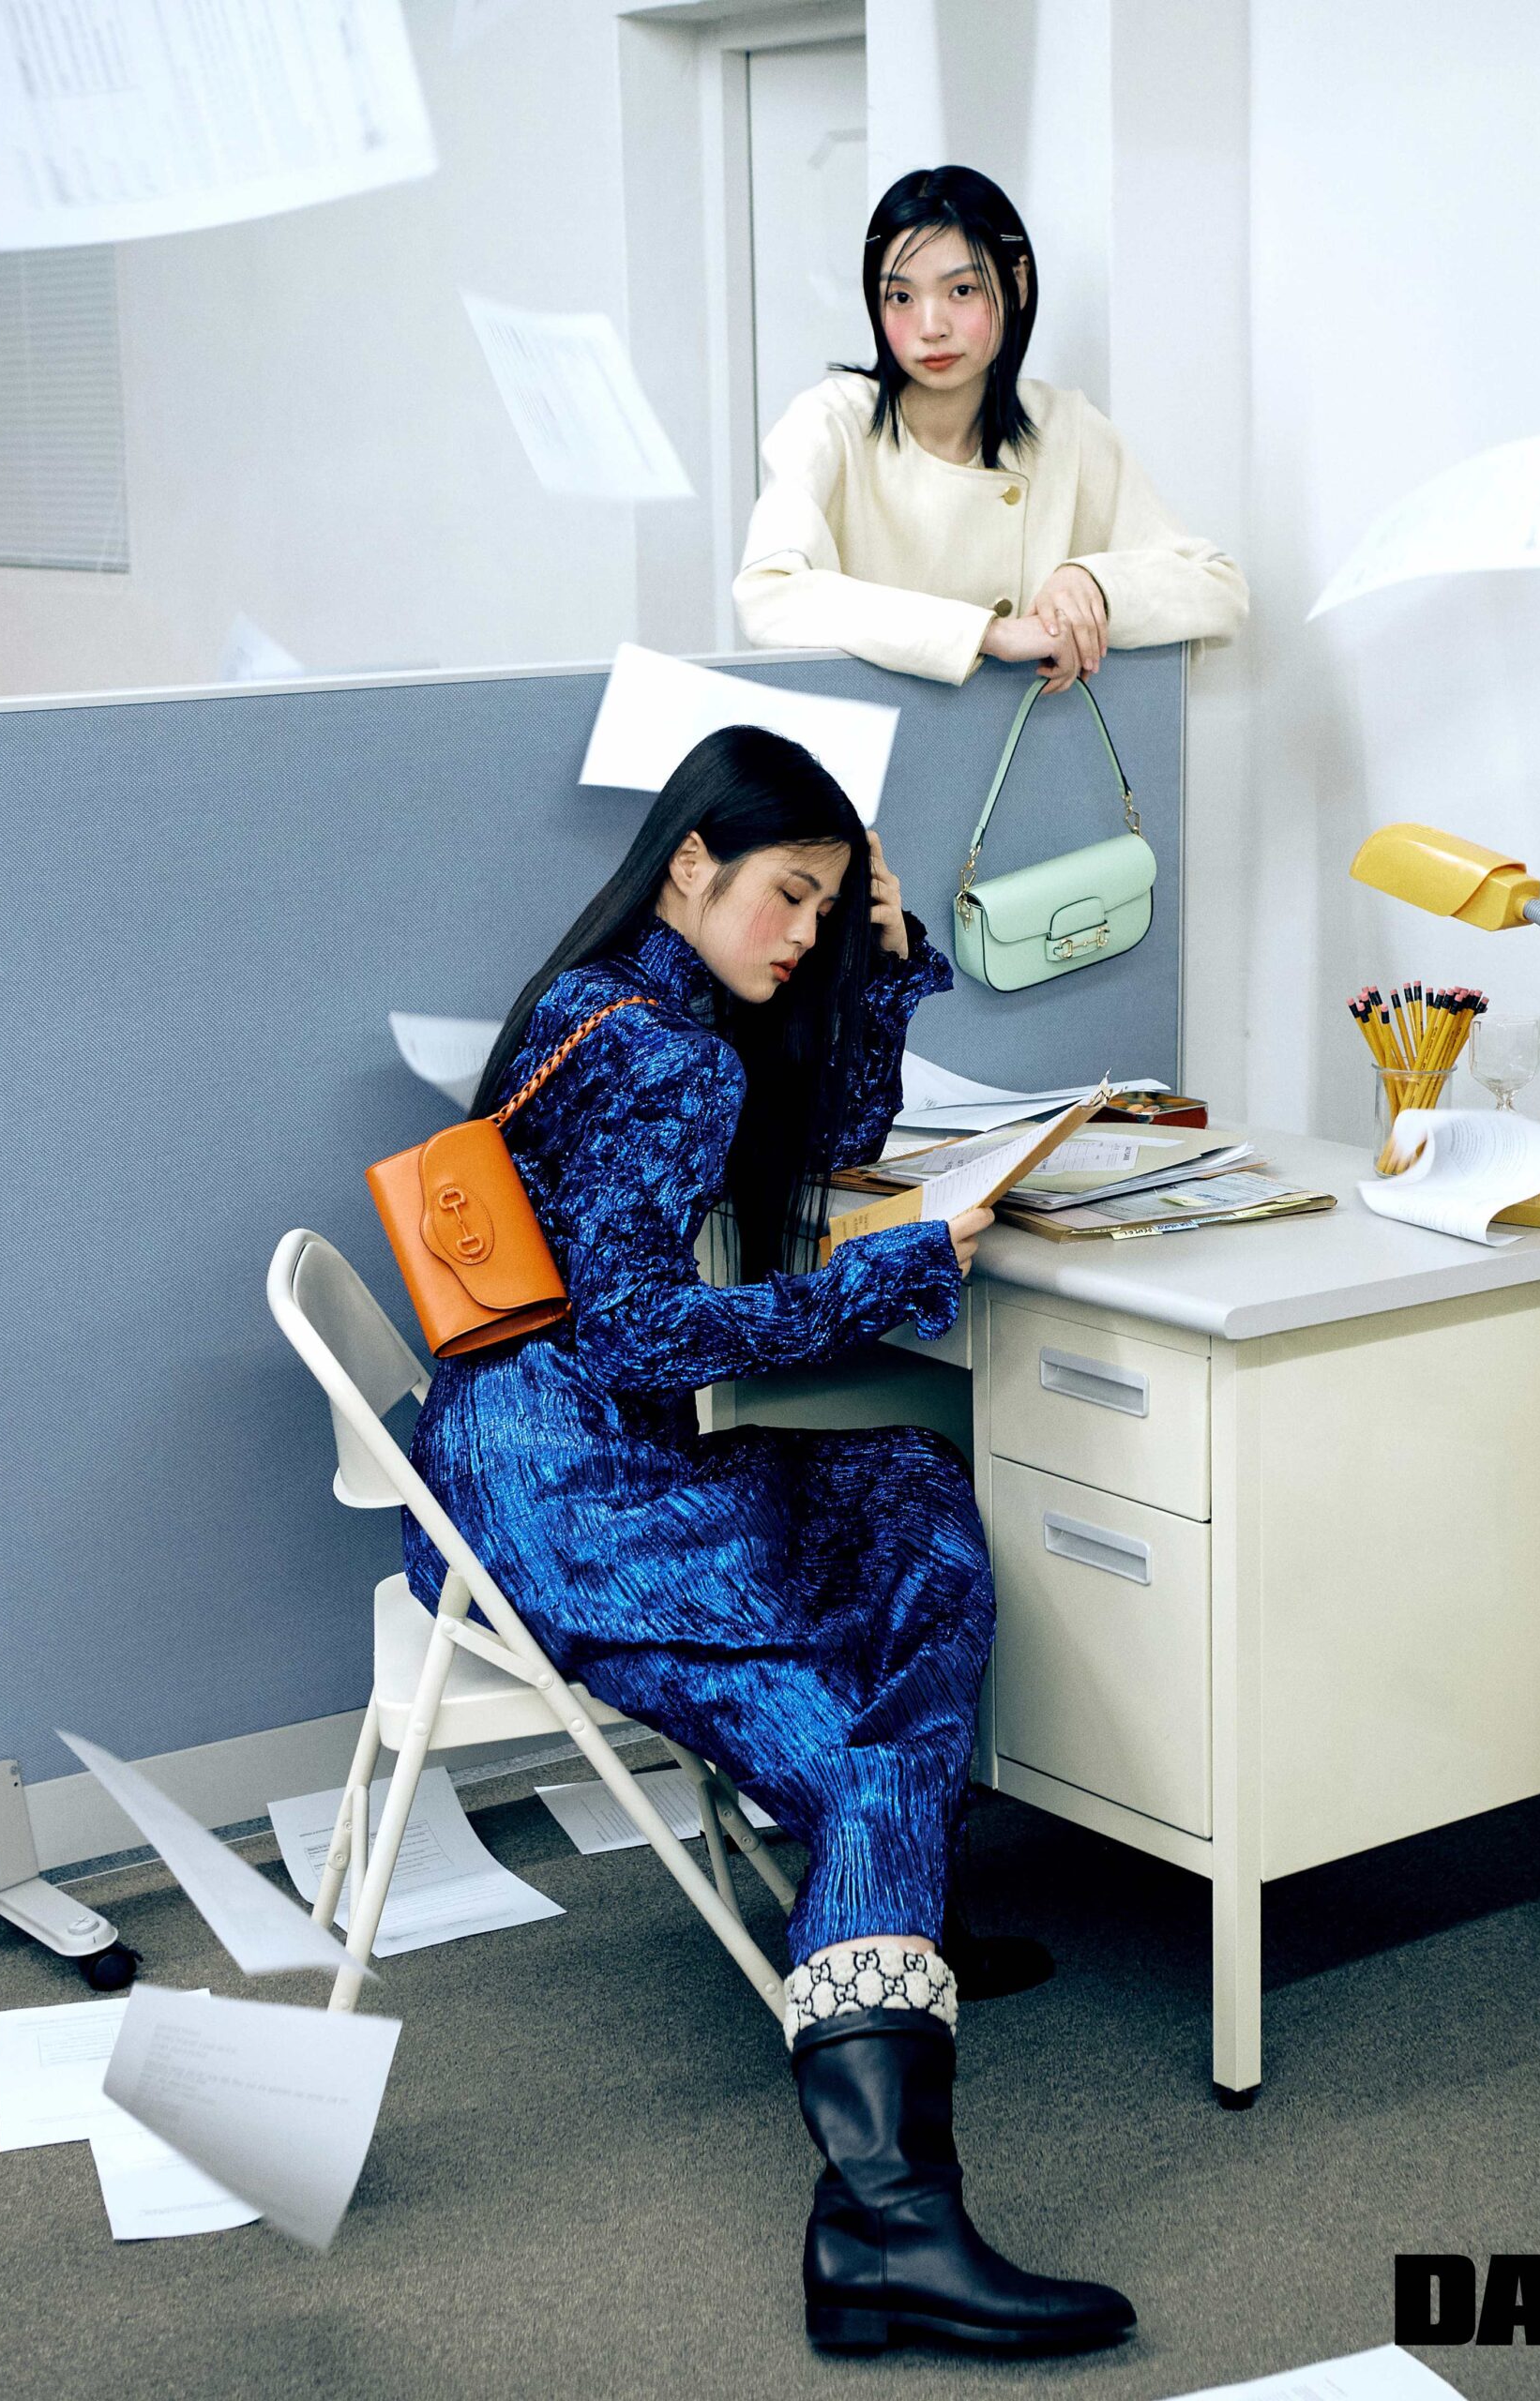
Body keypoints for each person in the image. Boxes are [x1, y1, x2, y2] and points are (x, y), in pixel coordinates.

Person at [401, 726, 1135, 2357]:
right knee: (870, 1741)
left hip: (504, 1471)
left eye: (822, 904)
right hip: (580, 1509)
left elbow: (817, 1147)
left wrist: (878, 964)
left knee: (906, 1484)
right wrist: (901, 1272)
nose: (800, 932)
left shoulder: (597, 1000)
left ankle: (894, 1893)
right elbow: (640, 1335)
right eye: (786, 896)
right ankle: (886, 2229)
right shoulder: (667, 1055)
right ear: (691, 862)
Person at [734, 163, 1247, 691]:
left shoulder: (1065, 429)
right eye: (901, 297)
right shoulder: (830, 423)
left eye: (961, 290)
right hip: (880, 741)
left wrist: (1094, 582)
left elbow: (1219, 589)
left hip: (1039, 736)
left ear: (1016, 282)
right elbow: (767, 594)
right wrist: (985, 633)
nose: (931, 327)